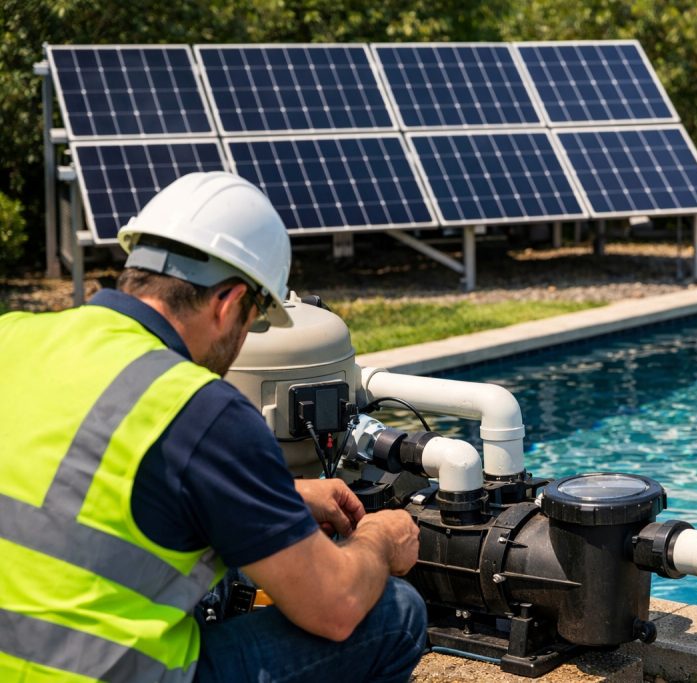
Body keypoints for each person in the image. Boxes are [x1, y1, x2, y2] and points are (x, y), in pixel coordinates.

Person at [0, 172, 426, 682]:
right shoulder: (198, 407)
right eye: (254, 318)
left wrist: (280, 492)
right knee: (394, 614)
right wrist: (378, 538)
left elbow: (65, 486)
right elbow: (335, 607)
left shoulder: (14, 336)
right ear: (228, 304)